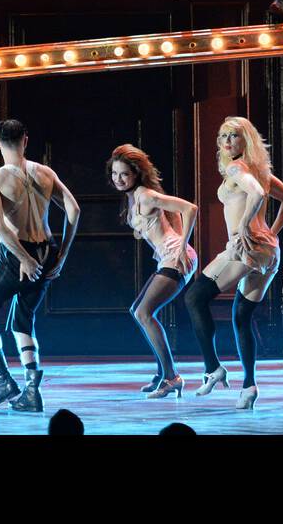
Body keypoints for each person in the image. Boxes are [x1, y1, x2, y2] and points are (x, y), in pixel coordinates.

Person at [0, 119, 81, 411]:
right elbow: (73, 208)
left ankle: (2, 378)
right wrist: (62, 254)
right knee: (22, 320)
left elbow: (0, 228)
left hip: (20, 255)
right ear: (25, 140)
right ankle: (31, 391)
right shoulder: (45, 172)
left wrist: (25, 259)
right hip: (48, 250)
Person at [184, 117, 283, 410]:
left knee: (195, 297)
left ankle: (213, 368)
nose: (226, 141)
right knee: (240, 317)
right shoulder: (260, 171)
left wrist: (246, 226)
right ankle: (249, 387)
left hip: (245, 247)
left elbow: (258, 194)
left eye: (233, 136)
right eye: (223, 136)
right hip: (268, 250)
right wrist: (270, 233)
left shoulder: (239, 168)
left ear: (245, 140)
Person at [108, 144, 198, 399]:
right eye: (115, 174)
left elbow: (189, 208)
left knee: (143, 312)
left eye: (124, 174)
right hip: (166, 258)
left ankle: (172, 377)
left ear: (136, 174)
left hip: (176, 258)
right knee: (137, 311)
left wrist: (182, 245)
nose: (119, 179)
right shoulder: (132, 197)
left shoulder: (145, 195)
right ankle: (163, 373)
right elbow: (172, 215)